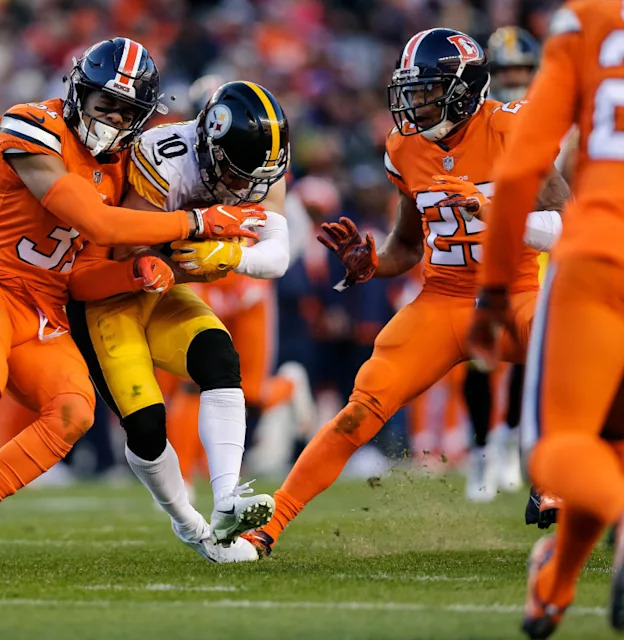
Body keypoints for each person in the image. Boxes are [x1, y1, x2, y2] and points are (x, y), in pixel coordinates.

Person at [0, 38, 264, 573]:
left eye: (126, 111)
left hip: (47, 308)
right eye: (103, 103)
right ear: (77, 92)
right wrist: (198, 222)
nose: (111, 118)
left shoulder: (122, 170)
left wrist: (136, 270)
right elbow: (96, 222)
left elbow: (85, 276)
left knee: (73, 412)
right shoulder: (32, 126)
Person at [243, 28, 570, 558]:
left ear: (464, 90)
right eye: (411, 91)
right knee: (359, 408)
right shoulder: (405, 147)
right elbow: (408, 246)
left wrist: (493, 210)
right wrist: (371, 263)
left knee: (577, 359)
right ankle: (269, 525)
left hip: (514, 293)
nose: (414, 103)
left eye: (427, 91)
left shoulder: (515, 128)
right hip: (442, 301)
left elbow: (570, 224)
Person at [64, 81, 291, 563]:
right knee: (147, 427)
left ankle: (229, 497)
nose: (245, 187)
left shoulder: (262, 164)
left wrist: (226, 254)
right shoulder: (162, 155)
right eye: (234, 173)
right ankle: (191, 526)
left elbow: (277, 254)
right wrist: (201, 238)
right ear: (210, 145)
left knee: (219, 360)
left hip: (164, 287)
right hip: (111, 293)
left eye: (256, 176)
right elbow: (132, 251)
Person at [469, 3, 624, 637]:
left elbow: (519, 170)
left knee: (558, 446)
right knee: (609, 439)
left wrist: (496, 291)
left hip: (601, 251)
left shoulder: (587, 18)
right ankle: (554, 586)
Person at [460, 25, 541, 503]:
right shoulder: (475, 120)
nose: (513, 78)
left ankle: (512, 438)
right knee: (482, 353)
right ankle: (481, 450)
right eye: (505, 69)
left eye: (521, 70)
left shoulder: (549, 115)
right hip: (481, 246)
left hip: (537, 244)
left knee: (534, 350)